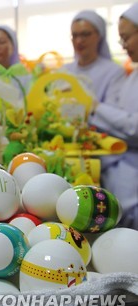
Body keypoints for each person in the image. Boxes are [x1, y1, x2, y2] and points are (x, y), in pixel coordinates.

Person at [90, 3, 138, 230]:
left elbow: (133, 127)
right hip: (122, 167)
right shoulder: (133, 75)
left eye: (127, 37)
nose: (124, 45)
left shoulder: (119, 73)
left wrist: (95, 108)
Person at [63, 10, 126, 104]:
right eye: (74, 35)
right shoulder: (64, 71)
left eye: (85, 34)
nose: (79, 41)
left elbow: (112, 110)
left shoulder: (114, 72)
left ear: (99, 36)